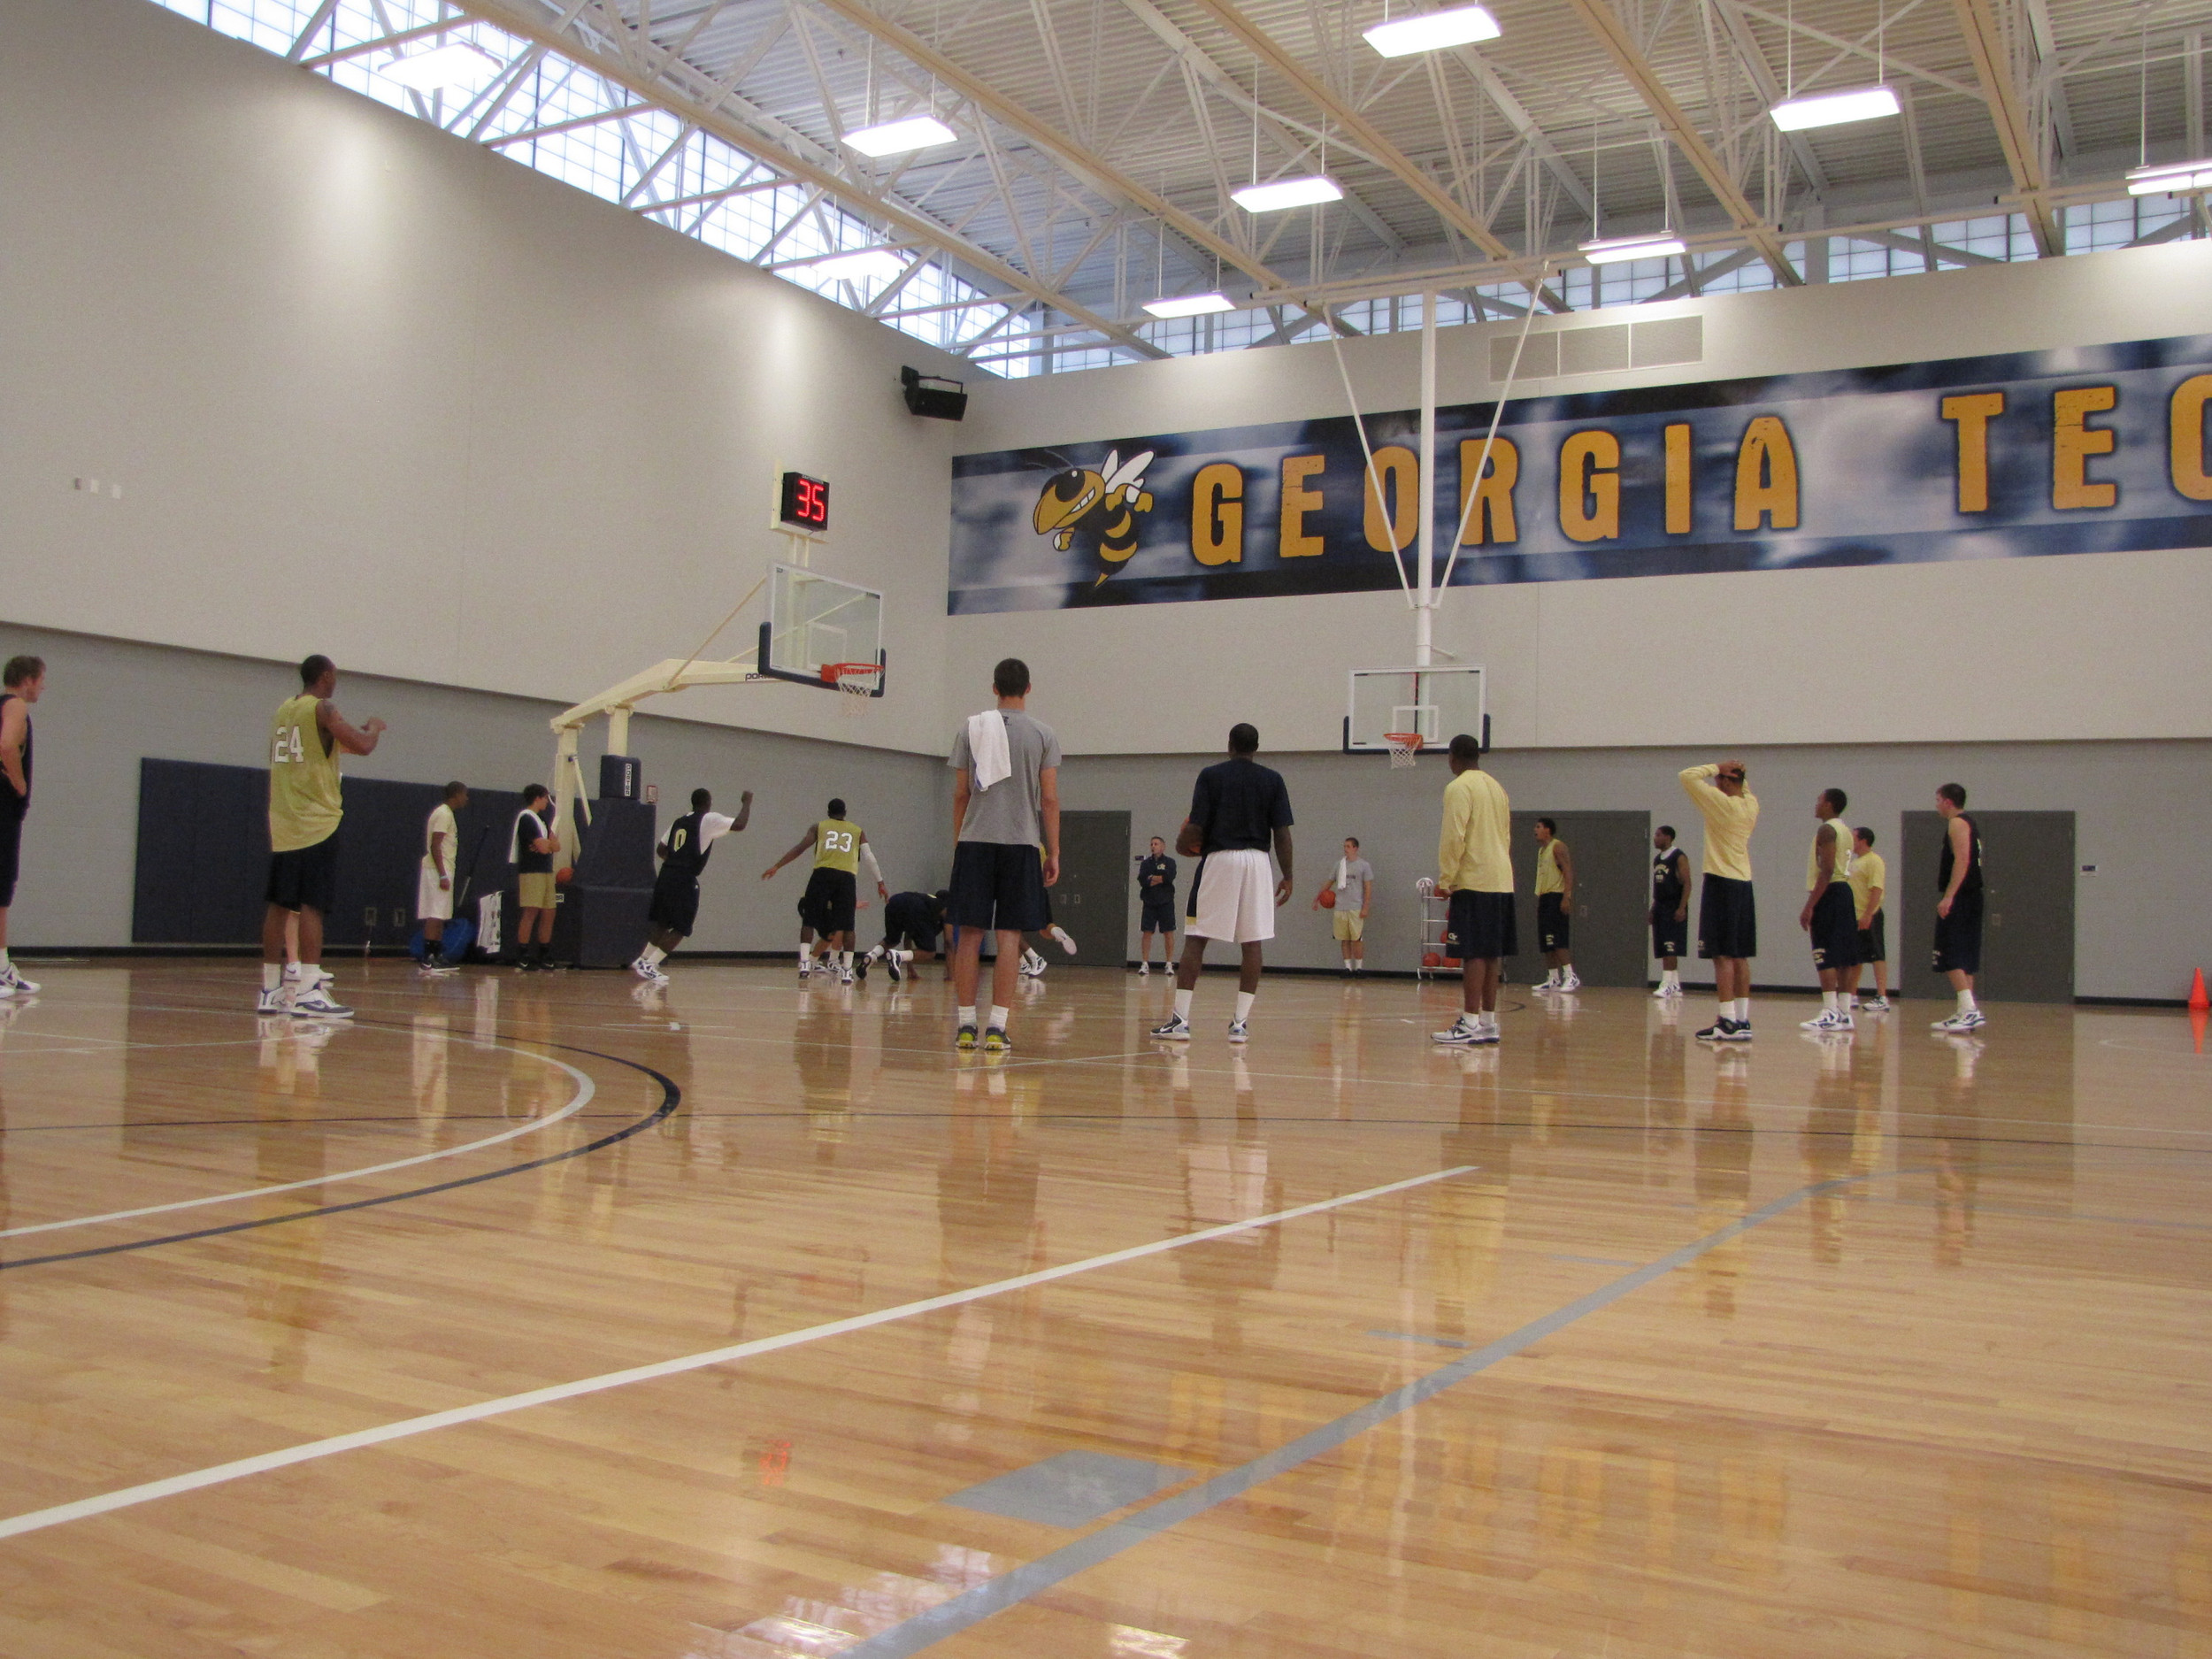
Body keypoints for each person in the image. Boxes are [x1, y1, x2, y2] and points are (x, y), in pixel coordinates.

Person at [1149, 722, 1293, 1045]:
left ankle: (1181, 1020)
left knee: (1197, 937)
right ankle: (1240, 1025)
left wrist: (1182, 843)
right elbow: (1282, 833)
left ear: (1229, 745)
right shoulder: (1273, 780)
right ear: (1256, 748)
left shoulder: (1211, 776)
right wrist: (1289, 874)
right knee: (1252, 942)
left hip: (1221, 859)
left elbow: (1195, 827)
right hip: (1258, 862)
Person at [947, 657, 1061, 1053]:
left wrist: (958, 841)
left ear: (994, 688)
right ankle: (996, 1027)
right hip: (1022, 844)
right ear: (1028, 688)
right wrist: (1055, 850)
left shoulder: (971, 727)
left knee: (970, 936)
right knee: (1010, 935)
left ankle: (965, 1026)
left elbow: (961, 793)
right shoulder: (1044, 734)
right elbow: (1049, 798)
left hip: (975, 842)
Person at [260, 655, 385, 1016]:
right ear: (326, 676)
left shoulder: (285, 710)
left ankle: (270, 989)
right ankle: (309, 989)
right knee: (313, 905)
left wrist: (351, 731)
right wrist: (374, 727)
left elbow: (327, 745)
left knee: (279, 906)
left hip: (283, 819)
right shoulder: (323, 707)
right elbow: (364, 745)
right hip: (315, 821)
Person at [1431, 733, 1514, 1046]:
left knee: (1472, 952)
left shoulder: (1458, 787)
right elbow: (1506, 836)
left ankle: (1469, 1021)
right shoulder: (1497, 787)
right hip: (1501, 877)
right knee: (1492, 951)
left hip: (1474, 877)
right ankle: (1489, 1022)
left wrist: (1446, 878)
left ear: (1452, 758)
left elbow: (1454, 835)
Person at [632, 787, 751, 984]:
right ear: (708, 802)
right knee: (682, 927)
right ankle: (651, 966)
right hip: (683, 877)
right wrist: (747, 802)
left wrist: (676, 860)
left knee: (663, 922)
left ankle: (642, 959)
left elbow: (661, 849)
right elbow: (739, 825)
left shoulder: (679, 821)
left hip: (666, 874)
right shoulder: (708, 819)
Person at [764, 798, 885, 984]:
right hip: (846, 877)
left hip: (822, 874)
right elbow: (869, 857)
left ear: (828, 812)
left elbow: (800, 848)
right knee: (847, 926)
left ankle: (805, 963)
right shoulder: (857, 831)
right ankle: (846, 970)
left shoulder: (818, 827)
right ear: (845, 812)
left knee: (809, 920)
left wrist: (777, 866)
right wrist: (880, 882)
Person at [1680, 759, 1759, 1043]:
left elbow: (1687, 776)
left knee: (1722, 954)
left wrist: (1716, 766)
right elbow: (1744, 786)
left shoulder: (1720, 803)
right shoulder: (1751, 804)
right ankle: (1742, 1019)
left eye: (1720, 779)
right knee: (1740, 954)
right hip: (1743, 883)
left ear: (1727, 782)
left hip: (1721, 882)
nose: (1715, 782)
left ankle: (1726, 1020)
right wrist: (1737, 772)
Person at [1798, 787, 1861, 1033]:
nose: (1816, 804)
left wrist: (1809, 906)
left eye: (1819, 800)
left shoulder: (1827, 829)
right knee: (1845, 955)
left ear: (1829, 804)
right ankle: (1844, 1013)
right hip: (1844, 891)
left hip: (1830, 892)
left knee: (1824, 952)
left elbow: (1826, 869)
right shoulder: (1846, 830)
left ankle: (1828, 1011)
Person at [0, 657, 44, 998]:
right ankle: (0, 971)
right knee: (1, 889)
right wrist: (20, 785)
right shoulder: (15, 706)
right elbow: (6, 745)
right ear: (27, 680)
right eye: (41, 680)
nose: (43, 687)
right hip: (3, 809)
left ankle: (3, 968)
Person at [1932, 782, 1986, 1033]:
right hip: (1971, 896)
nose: (1936, 804)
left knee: (1951, 951)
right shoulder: (1969, 823)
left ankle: (1970, 1009)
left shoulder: (1957, 823)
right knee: (1965, 955)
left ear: (1948, 802)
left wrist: (1949, 896)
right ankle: (1966, 1011)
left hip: (1962, 896)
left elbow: (1962, 861)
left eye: (1938, 799)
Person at [418, 781, 469, 975]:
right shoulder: (443, 814)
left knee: (441, 914)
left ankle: (437, 955)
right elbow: (435, 845)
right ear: (456, 795)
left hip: (444, 869)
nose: (466, 798)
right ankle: (428, 958)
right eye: (465, 794)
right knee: (435, 913)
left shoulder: (447, 814)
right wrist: (441, 873)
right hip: (437, 870)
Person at [510, 786, 560, 972]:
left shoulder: (542, 819)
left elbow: (556, 845)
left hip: (546, 870)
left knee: (549, 912)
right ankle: (522, 954)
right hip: (531, 871)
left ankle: (544, 953)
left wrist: (545, 844)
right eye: (546, 798)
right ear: (538, 798)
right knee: (531, 911)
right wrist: (544, 844)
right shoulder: (527, 818)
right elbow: (544, 848)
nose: (547, 801)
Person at [1845, 826, 1890, 1012]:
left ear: (1863, 840)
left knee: (1876, 955)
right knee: (1855, 957)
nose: (1850, 842)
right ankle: (1852, 994)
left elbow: (1876, 889)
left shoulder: (1874, 861)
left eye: (1853, 838)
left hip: (1869, 915)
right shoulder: (1855, 862)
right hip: (1854, 917)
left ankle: (1882, 996)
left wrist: (1868, 914)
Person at [1314, 837, 1374, 975]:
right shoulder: (1339, 865)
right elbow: (1329, 883)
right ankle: (1347, 967)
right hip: (1340, 906)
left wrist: (1365, 907)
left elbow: (1368, 888)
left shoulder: (1364, 866)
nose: (1345, 849)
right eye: (1344, 846)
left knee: (1357, 938)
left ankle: (1359, 968)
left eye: (1348, 846)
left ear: (1355, 848)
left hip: (1355, 906)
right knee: (1344, 938)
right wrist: (1317, 898)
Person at [1532, 818, 1579, 993]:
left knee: (1558, 938)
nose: (1535, 830)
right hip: (1545, 897)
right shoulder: (1541, 851)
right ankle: (1553, 978)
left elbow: (1568, 871)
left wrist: (1567, 897)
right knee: (1546, 940)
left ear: (1548, 830)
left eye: (1538, 827)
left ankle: (1570, 975)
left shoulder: (1558, 847)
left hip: (1556, 896)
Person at [867, 888, 949, 981]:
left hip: (894, 901)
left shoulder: (927, 901)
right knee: (929, 952)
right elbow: (948, 943)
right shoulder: (943, 908)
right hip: (915, 907)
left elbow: (908, 936)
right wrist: (950, 974)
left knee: (891, 940)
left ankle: (871, 955)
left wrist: (910, 969)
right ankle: (898, 956)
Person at [1649, 823, 1691, 997]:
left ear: (1667, 837)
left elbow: (1688, 883)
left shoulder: (1679, 857)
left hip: (1674, 906)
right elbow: (1658, 888)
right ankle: (1674, 985)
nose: (1655, 838)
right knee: (1661, 947)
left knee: (1670, 947)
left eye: (1658, 835)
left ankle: (1666, 984)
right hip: (1660, 906)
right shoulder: (1658, 859)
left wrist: (1682, 907)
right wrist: (1653, 909)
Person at [1136, 836, 1178, 973]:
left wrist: (1153, 877)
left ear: (1163, 846)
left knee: (1168, 932)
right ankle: (1145, 963)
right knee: (1147, 932)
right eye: (1151, 844)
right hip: (1149, 902)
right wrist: (1157, 878)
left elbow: (1168, 878)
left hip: (1166, 902)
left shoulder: (1170, 862)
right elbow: (1143, 880)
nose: (1153, 846)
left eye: (1156, 844)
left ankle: (1169, 964)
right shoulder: (1146, 864)